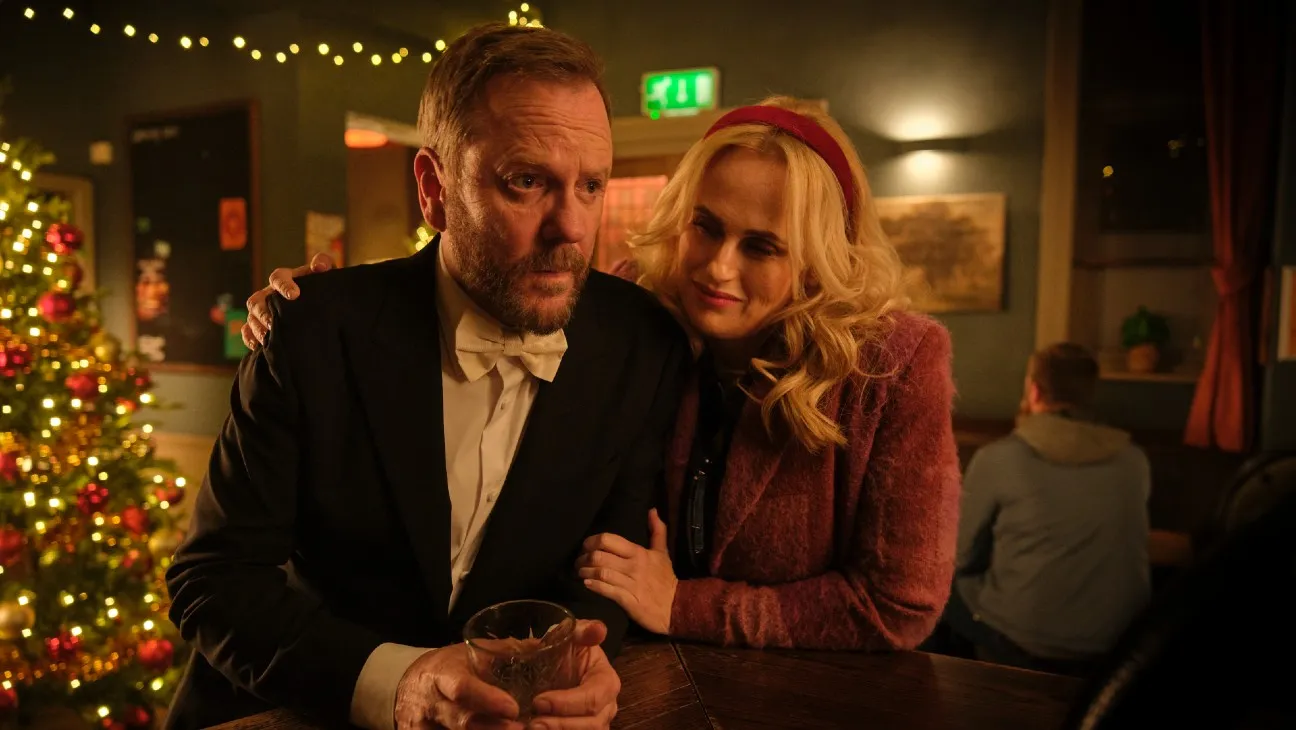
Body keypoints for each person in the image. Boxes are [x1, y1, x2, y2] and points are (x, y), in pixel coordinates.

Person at [245, 96, 962, 651]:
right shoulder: (634, 313)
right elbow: (483, 290)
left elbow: (900, 604)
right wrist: (320, 307)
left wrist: (687, 607)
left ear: (818, 257)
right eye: (706, 226)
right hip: (629, 681)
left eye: (763, 246)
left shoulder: (891, 367)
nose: (717, 267)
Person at [165, 23, 689, 730]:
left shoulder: (642, 344)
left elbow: (608, 562)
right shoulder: (312, 328)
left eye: (591, 185)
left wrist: (578, 659)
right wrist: (400, 682)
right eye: (526, 182)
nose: (571, 227)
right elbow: (214, 583)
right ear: (434, 188)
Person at [945, 343, 1151, 673]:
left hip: (1023, 639)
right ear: (1089, 395)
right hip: (1117, 641)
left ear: (1035, 390)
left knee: (936, 587)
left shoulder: (1000, 458)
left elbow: (960, 553)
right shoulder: (1133, 461)